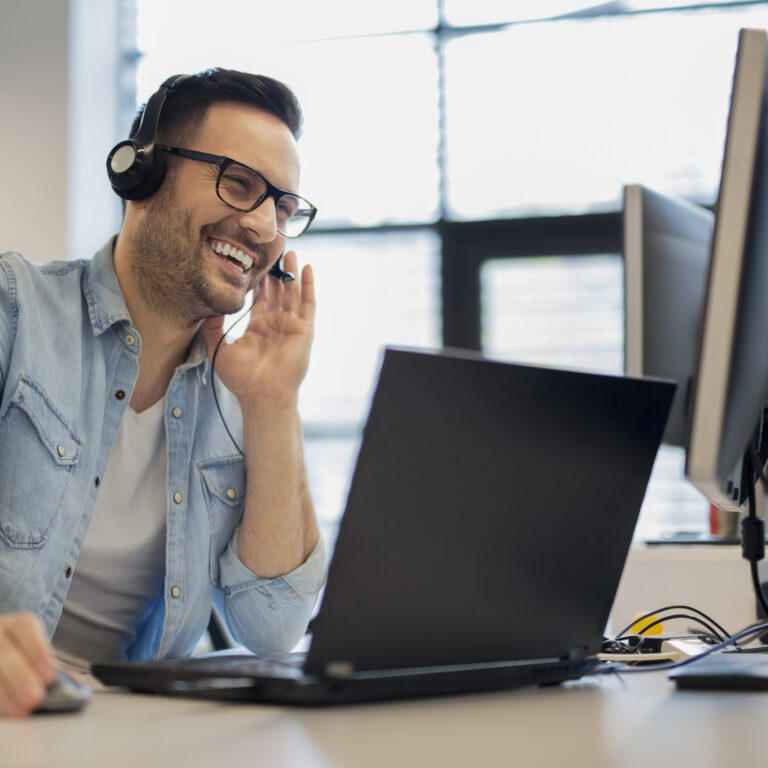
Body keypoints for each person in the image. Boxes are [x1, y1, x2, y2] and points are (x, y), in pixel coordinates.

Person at [0, 69, 326, 718]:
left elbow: (273, 626)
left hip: (135, 729)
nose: (265, 226)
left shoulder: (243, 390)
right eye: (239, 183)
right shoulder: (16, 312)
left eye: (284, 208)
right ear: (141, 175)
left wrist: (273, 404)